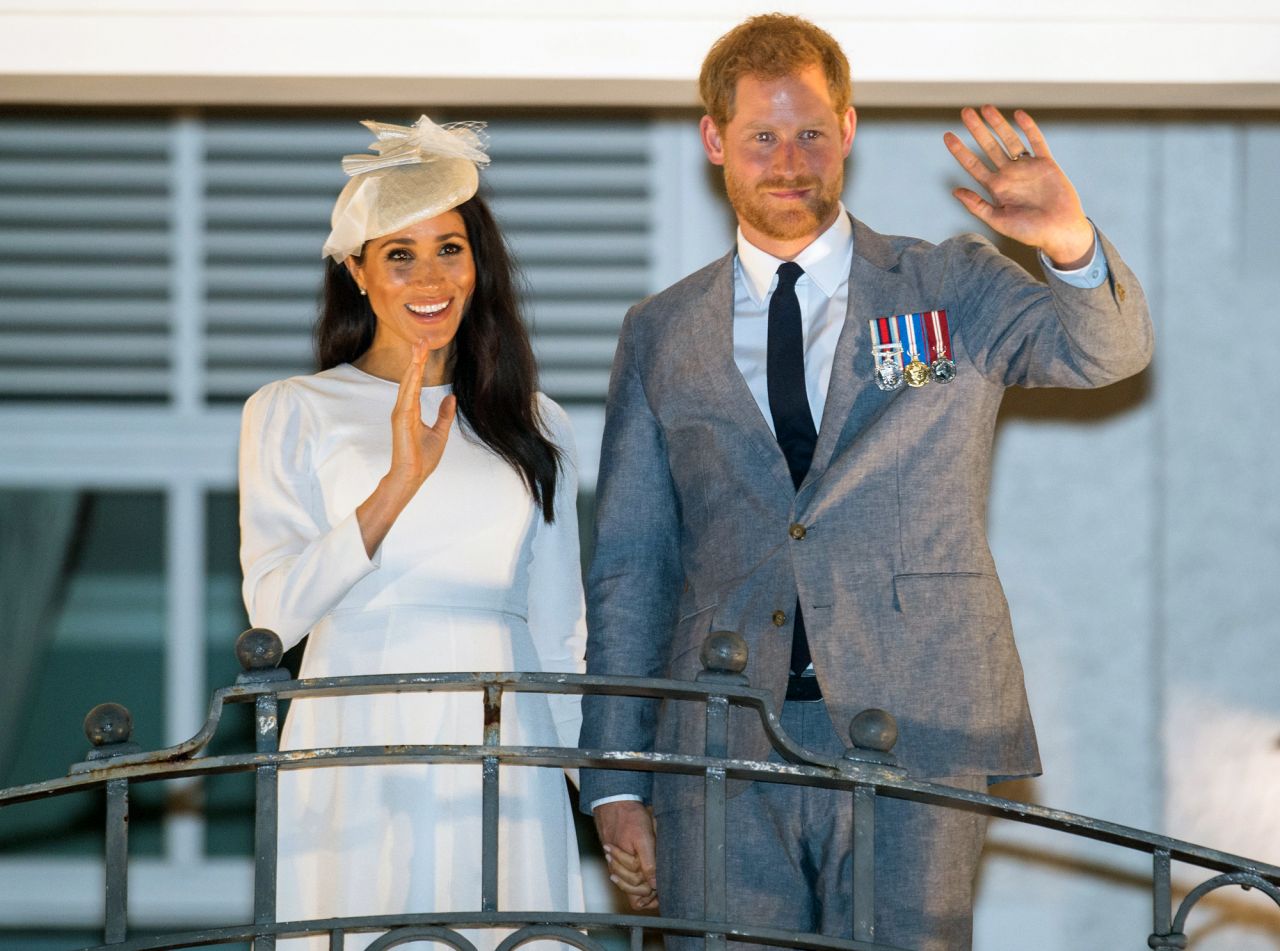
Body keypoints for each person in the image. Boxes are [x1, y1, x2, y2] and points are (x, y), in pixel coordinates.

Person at [579, 13, 1152, 951]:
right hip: (716, 737)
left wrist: (1069, 243)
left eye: (812, 132)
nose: (791, 160)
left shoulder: (946, 284)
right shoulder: (660, 330)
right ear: (715, 139)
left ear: (848, 130)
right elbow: (633, 565)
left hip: (918, 716)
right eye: (762, 135)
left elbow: (1110, 351)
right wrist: (614, 772)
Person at [238, 116, 587, 951]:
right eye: (399, 253)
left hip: (507, 743)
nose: (429, 276)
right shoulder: (291, 409)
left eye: (450, 248)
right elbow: (273, 614)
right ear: (356, 272)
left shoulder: (538, 422)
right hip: (356, 731)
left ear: (479, 266)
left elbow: (561, 631)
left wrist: (594, 793)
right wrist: (396, 484)